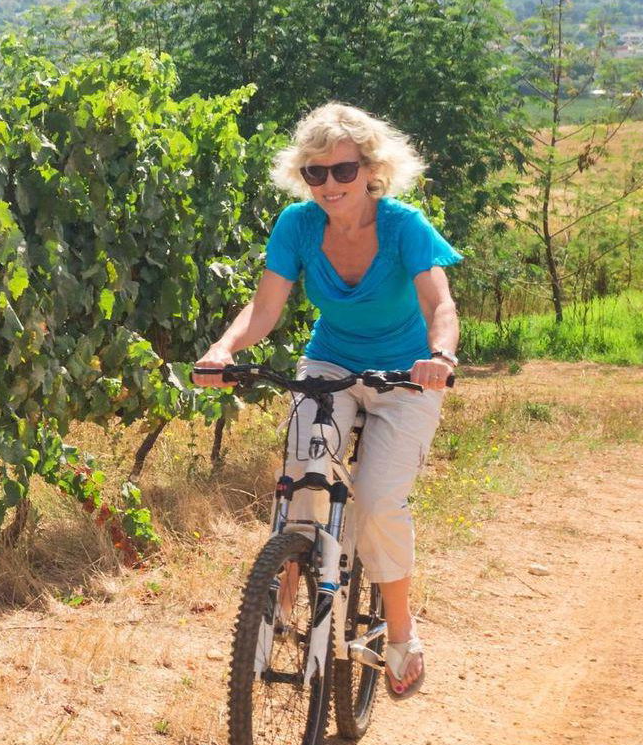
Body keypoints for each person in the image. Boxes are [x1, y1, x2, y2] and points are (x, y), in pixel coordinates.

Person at [192, 102, 461, 699]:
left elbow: (439, 304)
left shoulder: (404, 227)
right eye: (316, 172)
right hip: (330, 363)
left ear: (372, 169)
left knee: (380, 501)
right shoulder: (297, 225)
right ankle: (283, 593)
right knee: (301, 476)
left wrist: (440, 357)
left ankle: (400, 632)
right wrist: (223, 349)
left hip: (406, 375)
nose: (330, 184)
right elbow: (265, 308)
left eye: (343, 170)